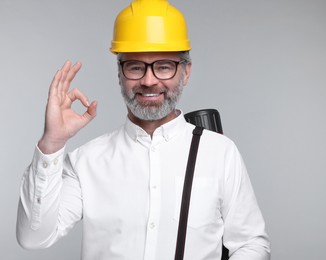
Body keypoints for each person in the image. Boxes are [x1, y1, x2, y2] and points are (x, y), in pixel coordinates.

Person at [16, 0, 271, 259]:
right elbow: (33, 237)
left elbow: (250, 244)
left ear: (185, 72)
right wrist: (51, 143)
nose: (149, 81)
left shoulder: (220, 153)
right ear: (120, 74)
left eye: (163, 66)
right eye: (136, 67)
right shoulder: (86, 162)